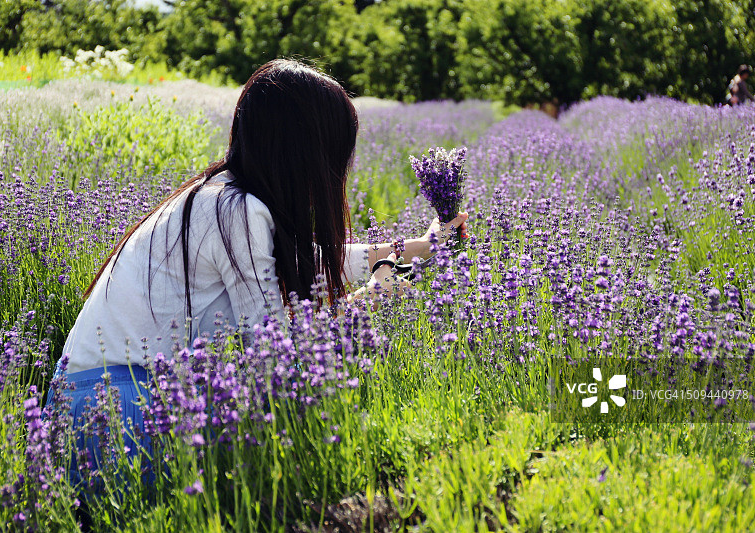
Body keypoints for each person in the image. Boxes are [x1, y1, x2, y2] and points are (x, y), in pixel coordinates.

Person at [46, 59, 469, 478]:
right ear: (303, 151)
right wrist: (375, 296)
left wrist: (422, 246)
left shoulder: (218, 196)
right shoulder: (235, 210)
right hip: (118, 412)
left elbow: (312, 261)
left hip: (93, 403)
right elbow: (275, 358)